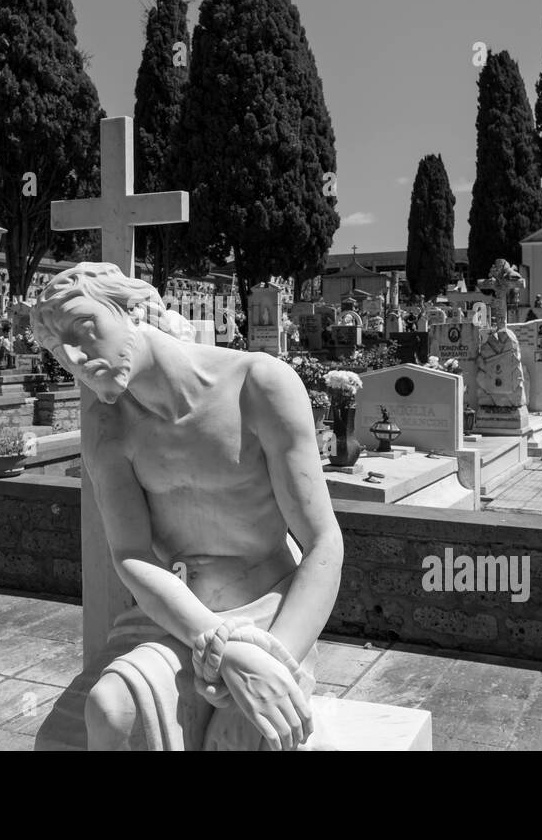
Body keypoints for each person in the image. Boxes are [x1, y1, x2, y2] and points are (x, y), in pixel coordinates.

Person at [32, 263, 343, 751]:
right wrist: (215, 643)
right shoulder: (107, 426)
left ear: (132, 309)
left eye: (84, 329)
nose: (74, 357)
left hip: (273, 620)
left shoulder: (258, 385)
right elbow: (131, 554)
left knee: (239, 739)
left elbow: (324, 543)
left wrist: (271, 661)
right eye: (58, 350)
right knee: (102, 715)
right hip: (173, 618)